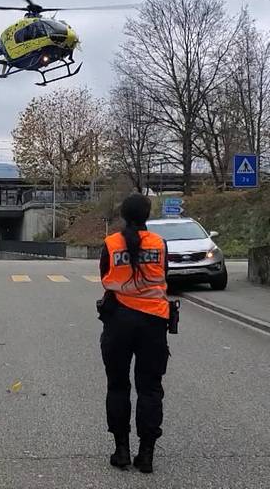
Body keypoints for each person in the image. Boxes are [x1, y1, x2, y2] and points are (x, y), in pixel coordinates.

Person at [97, 193, 170, 474]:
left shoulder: (111, 244)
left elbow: (105, 277)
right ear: (147, 216)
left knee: (118, 385)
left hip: (118, 320)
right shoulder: (159, 244)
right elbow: (165, 275)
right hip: (153, 322)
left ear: (123, 215)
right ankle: (147, 454)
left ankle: (121, 450)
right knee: (150, 388)